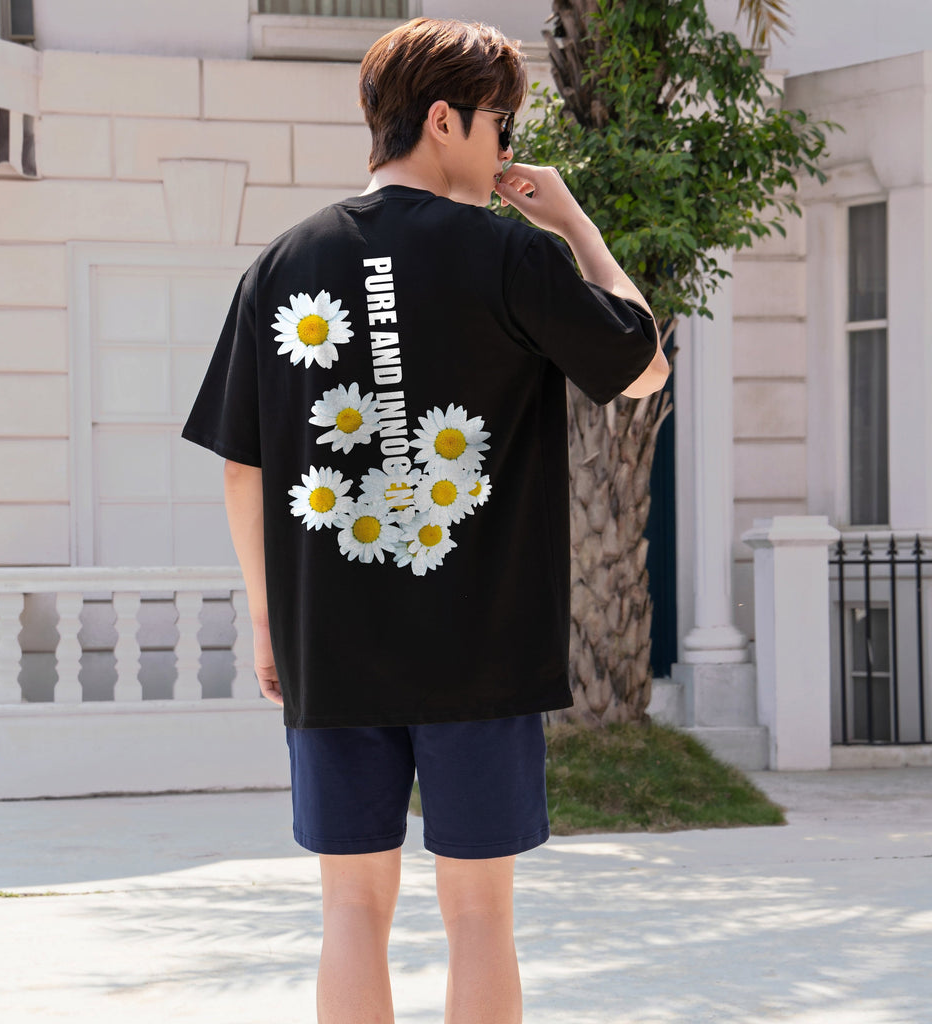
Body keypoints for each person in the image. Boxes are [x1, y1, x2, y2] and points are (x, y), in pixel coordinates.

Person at [182, 16, 668, 1023]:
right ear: (444, 120)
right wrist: (574, 225)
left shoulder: (283, 263)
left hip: (332, 644)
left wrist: (269, 621)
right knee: (480, 915)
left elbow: (242, 464)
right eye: (500, 124)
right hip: (482, 647)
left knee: (350, 908)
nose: (505, 148)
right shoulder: (511, 255)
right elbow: (643, 366)